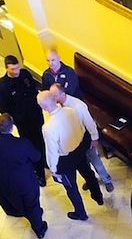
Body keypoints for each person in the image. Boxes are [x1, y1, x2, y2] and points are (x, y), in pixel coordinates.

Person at [38, 90, 103, 221]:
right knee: (88, 173)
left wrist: (53, 169)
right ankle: (98, 197)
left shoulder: (48, 128)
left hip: (65, 160)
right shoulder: (70, 111)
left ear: (43, 107)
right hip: (79, 151)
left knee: (71, 187)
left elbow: (52, 151)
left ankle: (81, 213)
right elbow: (81, 128)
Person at [0, 114, 47, 238]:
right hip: (25, 181)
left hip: (4, 183)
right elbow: (37, 157)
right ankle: (39, 229)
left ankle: (28, 215)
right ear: (12, 128)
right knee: (32, 205)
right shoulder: (23, 144)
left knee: (19, 204)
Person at [49, 83, 114, 192]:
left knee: (95, 160)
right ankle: (91, 180)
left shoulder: (77, 106)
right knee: (84, 162)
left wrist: (94, 138)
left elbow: (89, 123)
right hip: (75, 139)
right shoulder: (60, 105)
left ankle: (107, 180)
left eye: (54, 95)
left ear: (63, 94)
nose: (52, 98)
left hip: (87, 138)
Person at [0, 55, 46, 186]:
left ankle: (45, 161)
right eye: (12, 69)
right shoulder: (3, 86)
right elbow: (3, 108)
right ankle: (39, 173)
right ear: (6, 68)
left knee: (41, 140)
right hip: (24, 123)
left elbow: (33, 91)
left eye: (17, 68)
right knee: (31, 145)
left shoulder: (25, 74)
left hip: (36, 116)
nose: (16, 71)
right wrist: (15, 119)